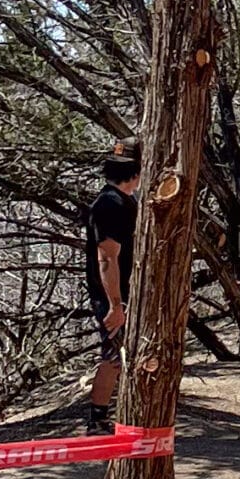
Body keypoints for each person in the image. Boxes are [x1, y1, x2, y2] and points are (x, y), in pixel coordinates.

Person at [86, 142, 141, 428]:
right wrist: (115, 304)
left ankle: (104, 416)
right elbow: (107, 257)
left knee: (120, 355)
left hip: (128, 292)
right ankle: (97, 419)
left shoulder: (125, 200)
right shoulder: (110, 204)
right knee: (114, 355)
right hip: (112, 296)